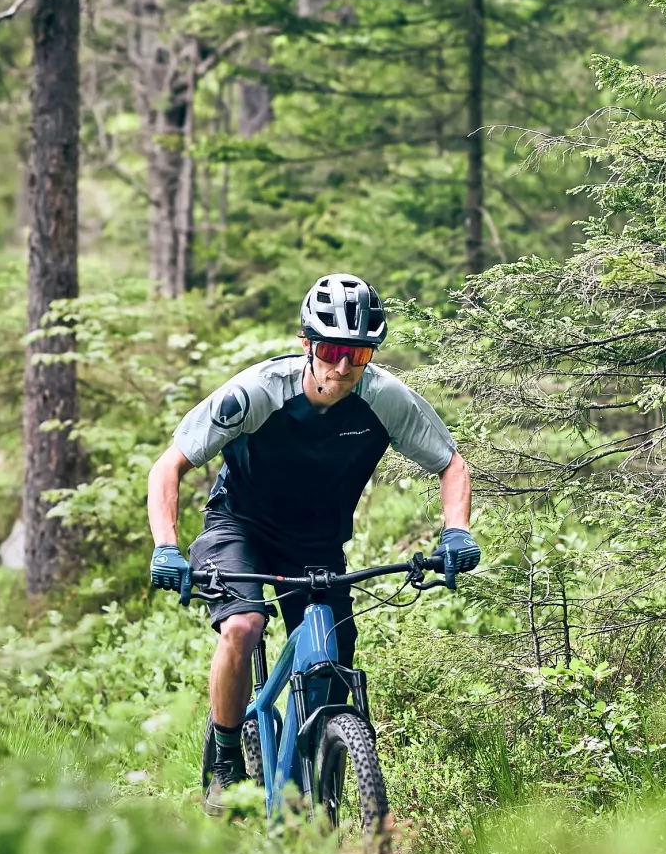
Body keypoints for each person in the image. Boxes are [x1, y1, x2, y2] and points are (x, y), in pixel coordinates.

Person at [146, 272, 480, 798]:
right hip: (240, 526)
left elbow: (451, 464)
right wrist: (167, 545)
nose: (342, 366)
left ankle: (319, 786)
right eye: (330, 349)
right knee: (243, 626)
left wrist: (455, 532)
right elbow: (169, 466)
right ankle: (226, 758)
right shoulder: (256, 393)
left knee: (333, 660)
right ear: (307, 344)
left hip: (317, 543)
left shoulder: (386, 400)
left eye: (358, 354)